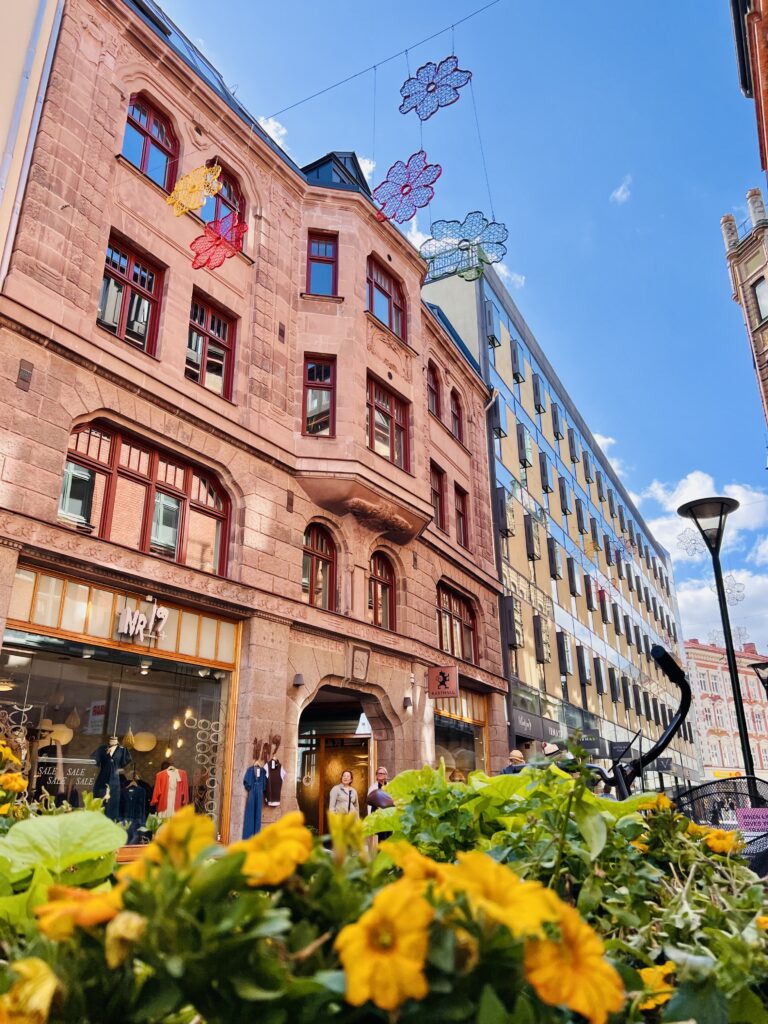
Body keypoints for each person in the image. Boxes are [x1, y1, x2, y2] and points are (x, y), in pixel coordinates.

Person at [367, 766, 393, 840]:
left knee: (388, 836)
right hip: (377, 814)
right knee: (380, 836)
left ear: (386, 775)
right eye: (378, 773)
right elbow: (369, 803)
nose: (380, 775)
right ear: (376, 775)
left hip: (388, 814)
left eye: (382, 773)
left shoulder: (390, 786)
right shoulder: (373, 787)